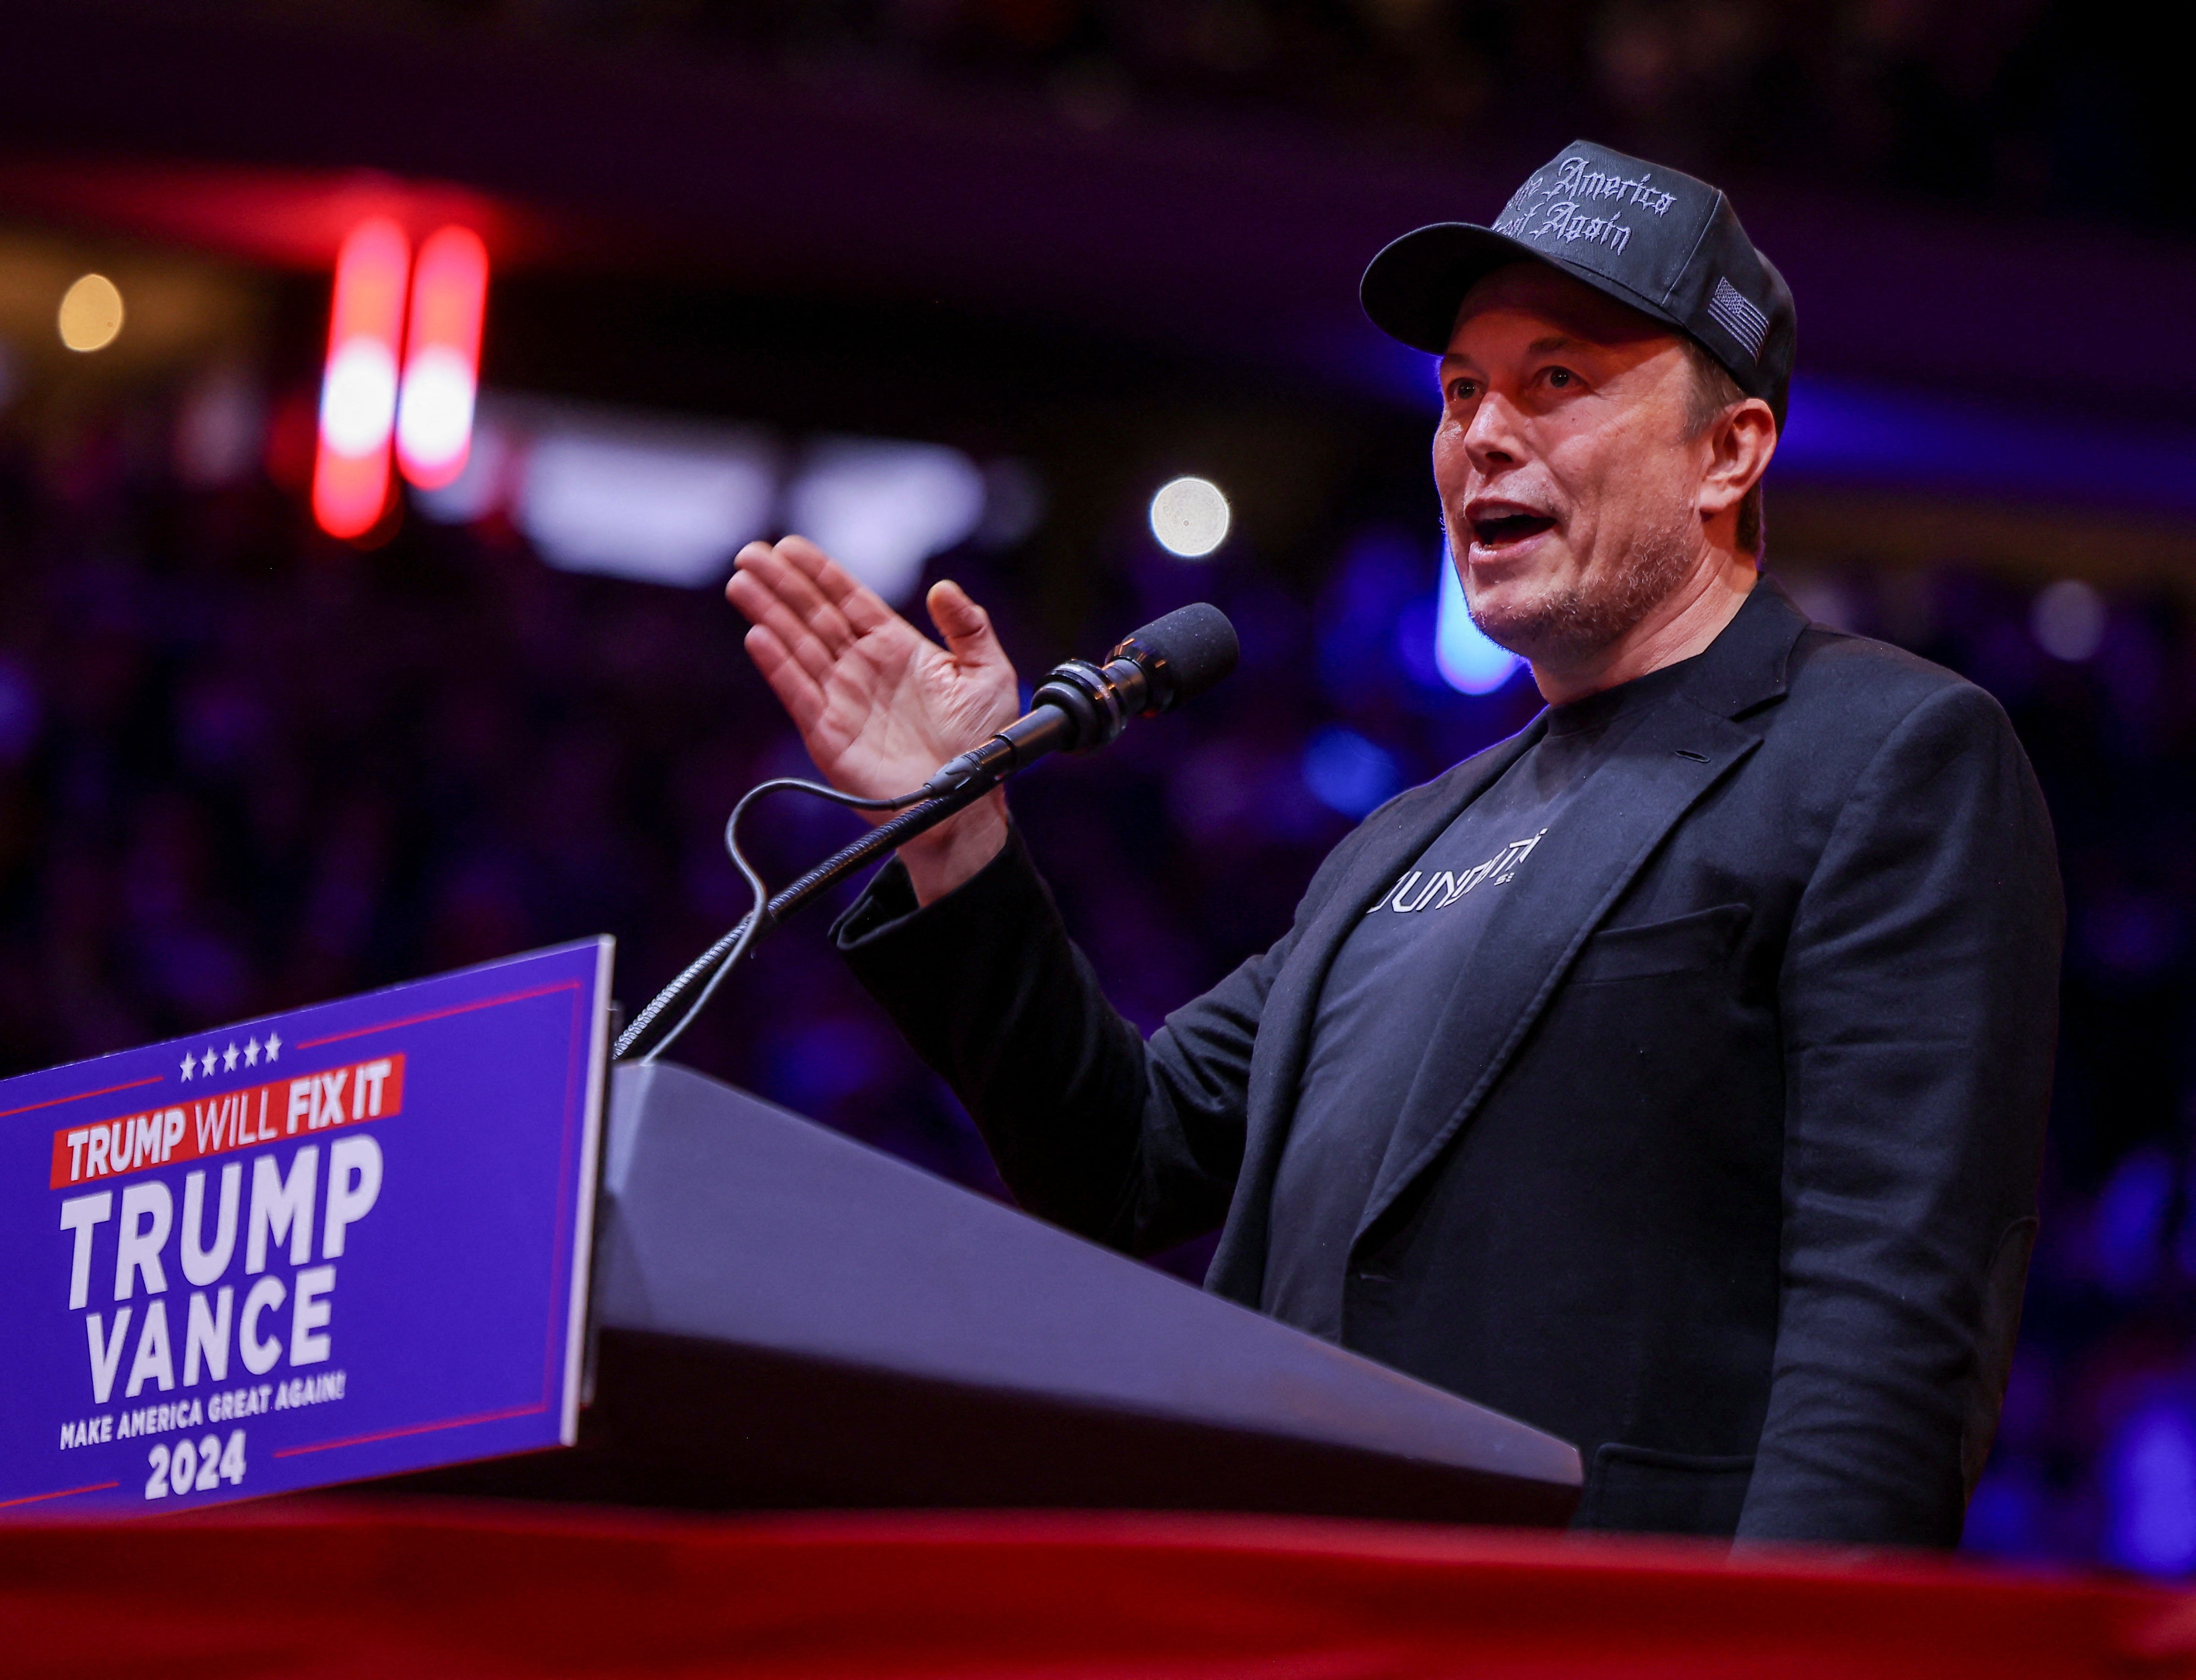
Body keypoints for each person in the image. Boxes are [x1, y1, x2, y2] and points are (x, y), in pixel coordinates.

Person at [723, 140, 2062, 1545]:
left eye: (1558, 380)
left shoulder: (1885, 755)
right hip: (1309, 1623)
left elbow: (1891, 1328)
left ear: (1728, 451)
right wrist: (963, 829)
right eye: (1462, 390)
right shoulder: (1398, 846)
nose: (1484, 432)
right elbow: (1122, 1156)